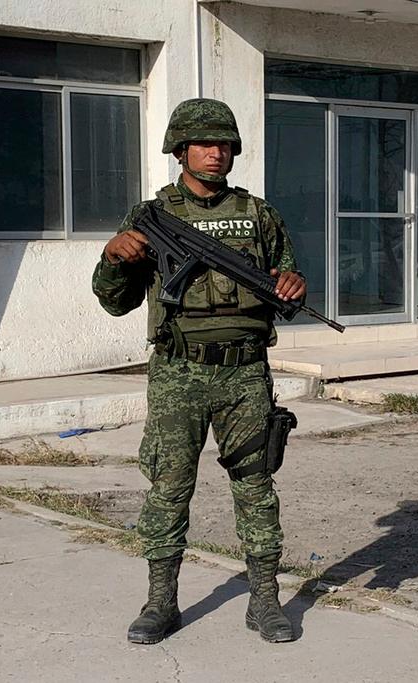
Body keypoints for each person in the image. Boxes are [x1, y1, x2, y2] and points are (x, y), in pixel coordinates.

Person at [91, 98, 306, 645]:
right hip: (178, 373)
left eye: (224, 144)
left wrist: (292, 284)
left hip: (244, 374)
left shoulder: (259, 215)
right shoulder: (151, 216)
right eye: (204, 143)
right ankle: (160, 602)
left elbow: (285, 279)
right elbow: (115, 302)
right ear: (180, 150)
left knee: (256, 486)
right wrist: (114, 259)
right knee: (168, 488)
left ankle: (264, 601)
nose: (215, 153)